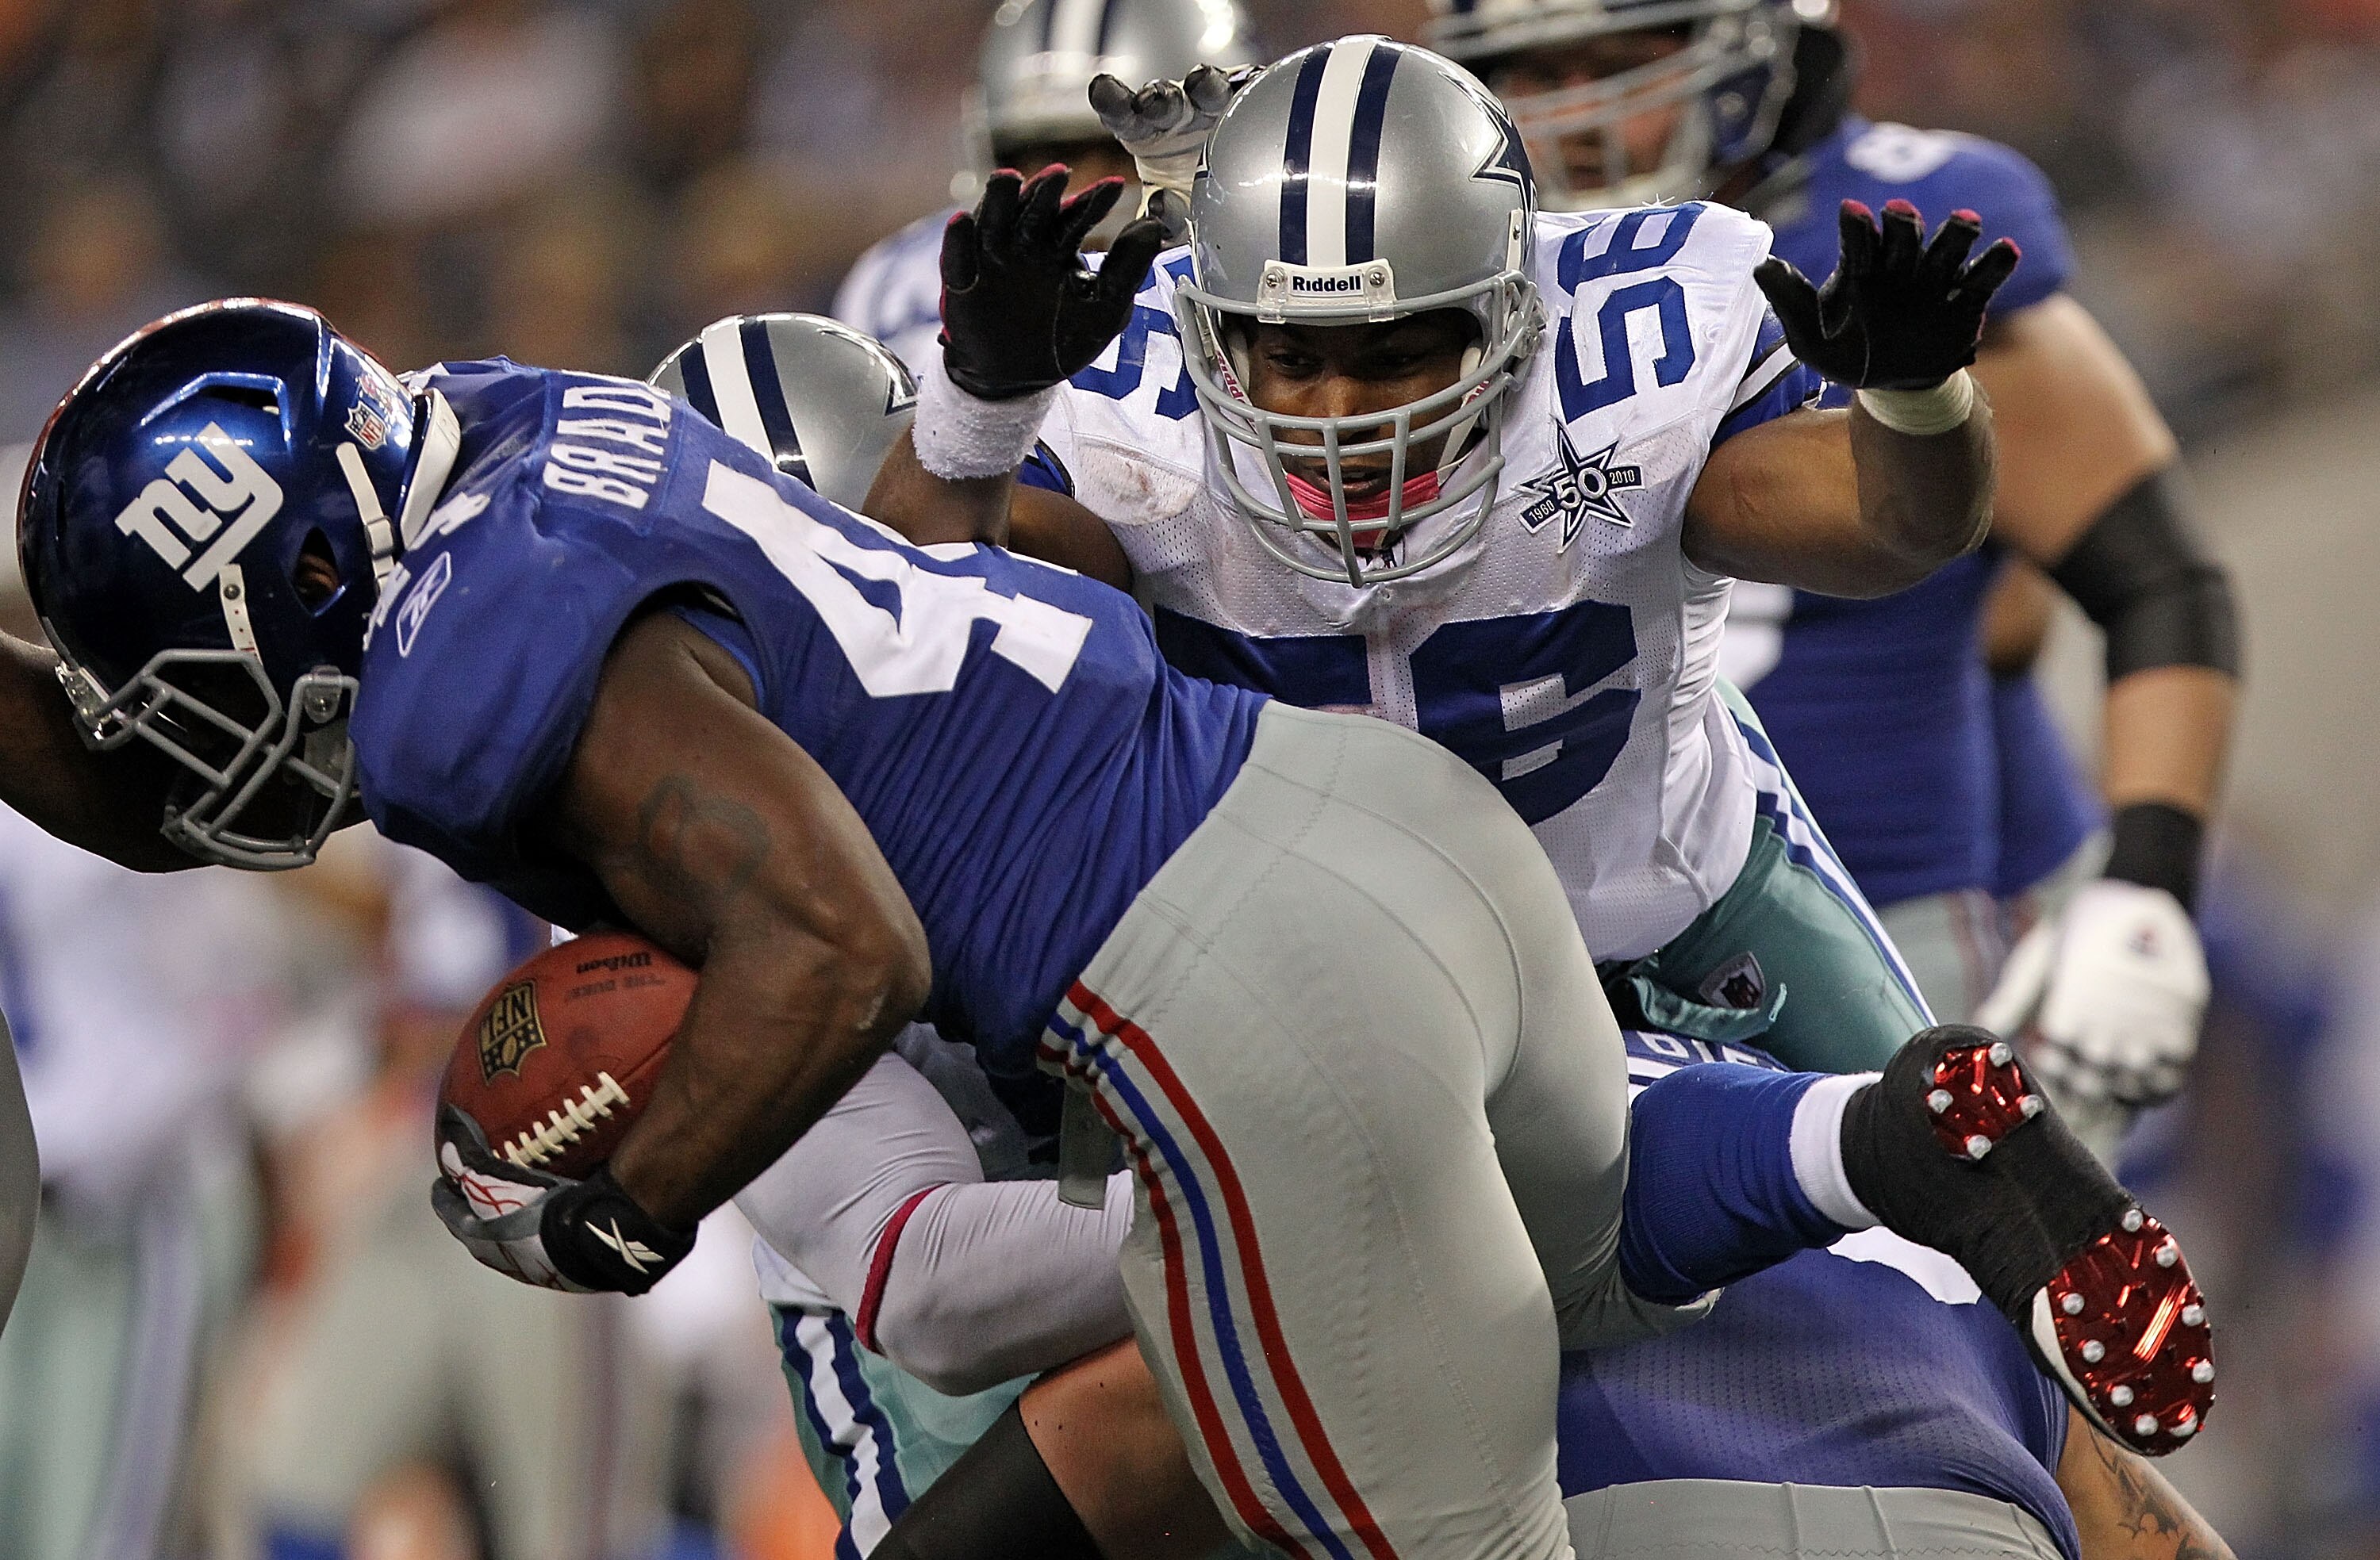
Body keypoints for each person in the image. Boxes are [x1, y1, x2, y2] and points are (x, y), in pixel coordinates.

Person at [2, 266, 2194, 1557]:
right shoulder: (521, 431)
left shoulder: (524, 719)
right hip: (1368, 830)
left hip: (1218, 1011)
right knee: (1571, 1187)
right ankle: (1876, 1137)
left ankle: (1870, 1149)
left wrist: (619, 1195)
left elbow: (878, 1070)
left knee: (1347, 1439)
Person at [874, 35, 1984, 1085]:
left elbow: (1898, 531)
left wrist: (1919, 399)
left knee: (1958, 1197)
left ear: (1507, 313)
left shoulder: (1611, 366)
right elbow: (920, 610)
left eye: (1396, 354)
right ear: (1219, 335)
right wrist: (983, 405)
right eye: (1295, 356)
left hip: (1673, 917)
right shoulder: (1139, 411)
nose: (1339, 411)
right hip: (1325, 1000)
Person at [1420, 0, 2240, 1140]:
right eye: (1532, 73)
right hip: (1560, 961)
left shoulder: (1884, 241)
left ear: (1753, 51)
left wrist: (2145, 886)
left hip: (1883, 915)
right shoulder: (1411, 307)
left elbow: (2154, 582)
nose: (1577, 116)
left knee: (1963, 1283)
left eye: (1621, 63)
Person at [832, 0, 1264, 372]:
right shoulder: (896, 287)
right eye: (1047, 157)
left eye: (1123, 154)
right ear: (991, 153)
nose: (1086, 188)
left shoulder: (1279, 260)